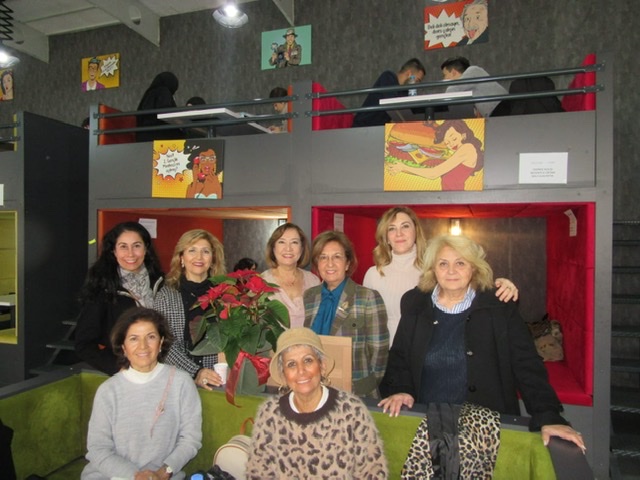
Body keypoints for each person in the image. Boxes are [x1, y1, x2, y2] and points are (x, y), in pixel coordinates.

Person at [378, 234, 586, 451]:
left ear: (474, 268)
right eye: (443, 264)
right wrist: (401, 389)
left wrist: (548, 416)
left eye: (460, 263)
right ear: (433, 269)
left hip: (485, 430)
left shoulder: (499, 305)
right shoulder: (415, 303)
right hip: (426, 424)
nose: (451, 271)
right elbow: (400, 356)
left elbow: (526, 364)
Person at [246, 328, 388, 479]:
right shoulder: (270, 414)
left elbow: (372, 472)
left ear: (322, 366)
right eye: (291, 364)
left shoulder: (352, 411)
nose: (301, 370)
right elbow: (258, 473)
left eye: (308, 360)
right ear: (283, 375)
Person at [363, 206, 519, 343]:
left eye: (405, 226)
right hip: (385, 352)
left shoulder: (435, 268)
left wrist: (503, 285)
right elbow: (366, 322)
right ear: (385, 236)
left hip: (428, 346)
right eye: (391, 228)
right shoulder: (373, 275)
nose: (399, 233)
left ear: (416, 231)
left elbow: (473, 286)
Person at [82, 307, 202, 480]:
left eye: (151, 337)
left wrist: (164, 472)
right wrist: (136, 476)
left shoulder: (181, 383)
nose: (143, 346)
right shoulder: (108, 391)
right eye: (134, 339)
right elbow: (98, 448)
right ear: (123, 347)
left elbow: (190, 439)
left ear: (161, 342)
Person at [304, 230, 388, 398]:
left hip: (356, 391)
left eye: (337, 257)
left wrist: (365, 385)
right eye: (323, 257)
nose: (330, 263)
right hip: (315, 389)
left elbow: (379, 350)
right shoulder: (310, 296)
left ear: (348, 263)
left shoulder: (367, 297)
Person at [76, 222, 164, 375]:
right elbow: (84, 344)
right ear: (114, 251)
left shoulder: (162, 282)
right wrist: (120, 369)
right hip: (128, 374)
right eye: (123, 246)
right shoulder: (103, 289)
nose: (130, 254)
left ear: (146, 249)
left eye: (136, 246)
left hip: (162, 369)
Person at [154, 229, 226, 390]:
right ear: (181, 257)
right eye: (192, 250)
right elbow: (163, 343)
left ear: (213, 259)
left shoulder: (225, 294)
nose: (199, 257)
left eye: (205, 251)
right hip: (176, 379)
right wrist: (195, 372)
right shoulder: (166, 295)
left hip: (217, 378)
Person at [386, 119, 484, 190]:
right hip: (450, 197)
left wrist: (404, 167)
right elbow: (427, 171)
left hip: (455, 198)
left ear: (463, 135)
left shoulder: (467, 148)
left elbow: (433, 174)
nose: (451, 144)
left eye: (454, 138)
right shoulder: (456, 154)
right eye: (447, 143)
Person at [262, 223, 320, 328]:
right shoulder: (261, 282)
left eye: (294, 242)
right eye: (282, 242)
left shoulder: (313, 281)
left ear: (302, 248)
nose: (288, 248)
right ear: (273, 248)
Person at [352, 58, 426, 127]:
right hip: (363, 126)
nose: (417, 84)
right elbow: (392, 102)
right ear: (409, 73)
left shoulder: (404, 91)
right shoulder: (388, 77)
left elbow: (412, 110)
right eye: (417, 80)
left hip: (377, 128)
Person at [441, 56, 507, 117]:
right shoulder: (468, 86)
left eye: (445, 75)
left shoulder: (473, 70)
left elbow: (451, 90)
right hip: (496, 112)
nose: (444, 79)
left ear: (453, 72)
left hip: (502, 106)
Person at [136, 71, 181, 142]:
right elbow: (166, 112)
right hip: (159, 134)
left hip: (144, 134)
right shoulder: (164, 91)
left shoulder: (149, 93)